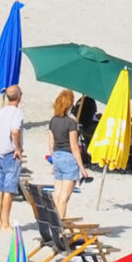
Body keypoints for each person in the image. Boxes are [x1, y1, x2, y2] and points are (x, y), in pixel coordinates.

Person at [0, 86, 27, 231]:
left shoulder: (0, 112)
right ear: (19, 96)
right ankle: (5, 222)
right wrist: (18, 148)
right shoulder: (17, 112)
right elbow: (15, 130)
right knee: (9, 189)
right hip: (10, 153)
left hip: (0, 152)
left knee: (0, 188)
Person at [46, 89, 84, 219]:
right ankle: (60, 225)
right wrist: (82, 168)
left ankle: (54, 221)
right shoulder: (71, 123)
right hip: (68, 158)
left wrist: (53, 160)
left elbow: (51, 144)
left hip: (57, 156)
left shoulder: (53, 120)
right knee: (64, 197)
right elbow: (74, 147)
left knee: (57, 194)